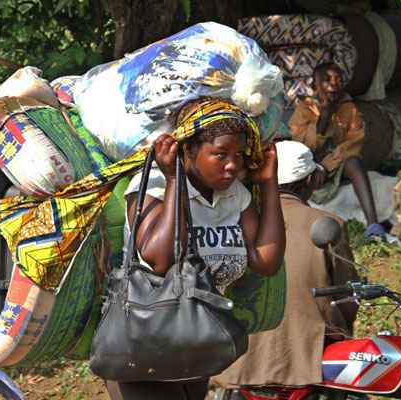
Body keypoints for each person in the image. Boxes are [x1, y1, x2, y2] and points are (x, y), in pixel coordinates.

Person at [106, 98, 286, 400]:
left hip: (198, 349)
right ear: (188, 150)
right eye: (220, 154)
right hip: (144, 353)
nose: (232, 165)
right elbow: (161, 259)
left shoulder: (234, 196)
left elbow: (266, 261)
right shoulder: (153, 186)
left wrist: (269, 183)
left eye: (239, 155)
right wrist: (174, 177)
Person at [214, 140, 359, 388]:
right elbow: (346, 299)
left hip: (235, 361)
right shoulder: (327, 222)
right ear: (309, 182)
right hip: (304, 360)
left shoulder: (230, 221)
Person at [289, 62, 386, 240]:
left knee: (354, 162)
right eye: (326, 80)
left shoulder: (349, 109)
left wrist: (327, 165)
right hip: (312, 166)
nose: (334, 84)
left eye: (339, 80)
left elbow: (355, 143)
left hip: (335, 165)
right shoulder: (305, 108)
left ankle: (373, 225)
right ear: (315, 86)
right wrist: (324, 117)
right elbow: (302, 146)